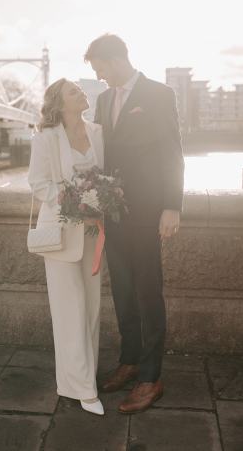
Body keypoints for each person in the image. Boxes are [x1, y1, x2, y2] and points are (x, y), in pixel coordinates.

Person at [85, 33, 185, 413]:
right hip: (112, 212)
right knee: (123, 290)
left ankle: (150, 377)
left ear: (114, 60)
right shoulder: (103, 99)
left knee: (147, 291)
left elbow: (172, 152)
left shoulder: (159, 94)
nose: (99, 75)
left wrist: (172, 206)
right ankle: (129, 361)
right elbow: (100, 153)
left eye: (99, 68)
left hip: (147, 211)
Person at [28, 78, 105, 416]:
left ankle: (84, 377)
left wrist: (102, 201)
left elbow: (107, 177)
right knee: (69, 309)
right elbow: (38, 183)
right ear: (59, 103)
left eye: (81, 90)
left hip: (94, 232)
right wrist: (73, 204)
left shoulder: (99, 132)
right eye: (75, 91)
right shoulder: (45, 138)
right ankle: (83, 389)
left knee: (92, 307)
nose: (82, 93)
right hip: (60, 231)